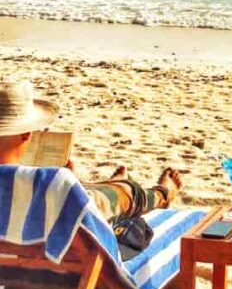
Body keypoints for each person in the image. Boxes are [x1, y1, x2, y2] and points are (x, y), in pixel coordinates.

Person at [0, 80, 182, 222]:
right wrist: (66, 183)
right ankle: (162, 194)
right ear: (26, 134)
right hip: (55, 251)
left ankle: (111, 183)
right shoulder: (48, 183)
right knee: (125, 194)